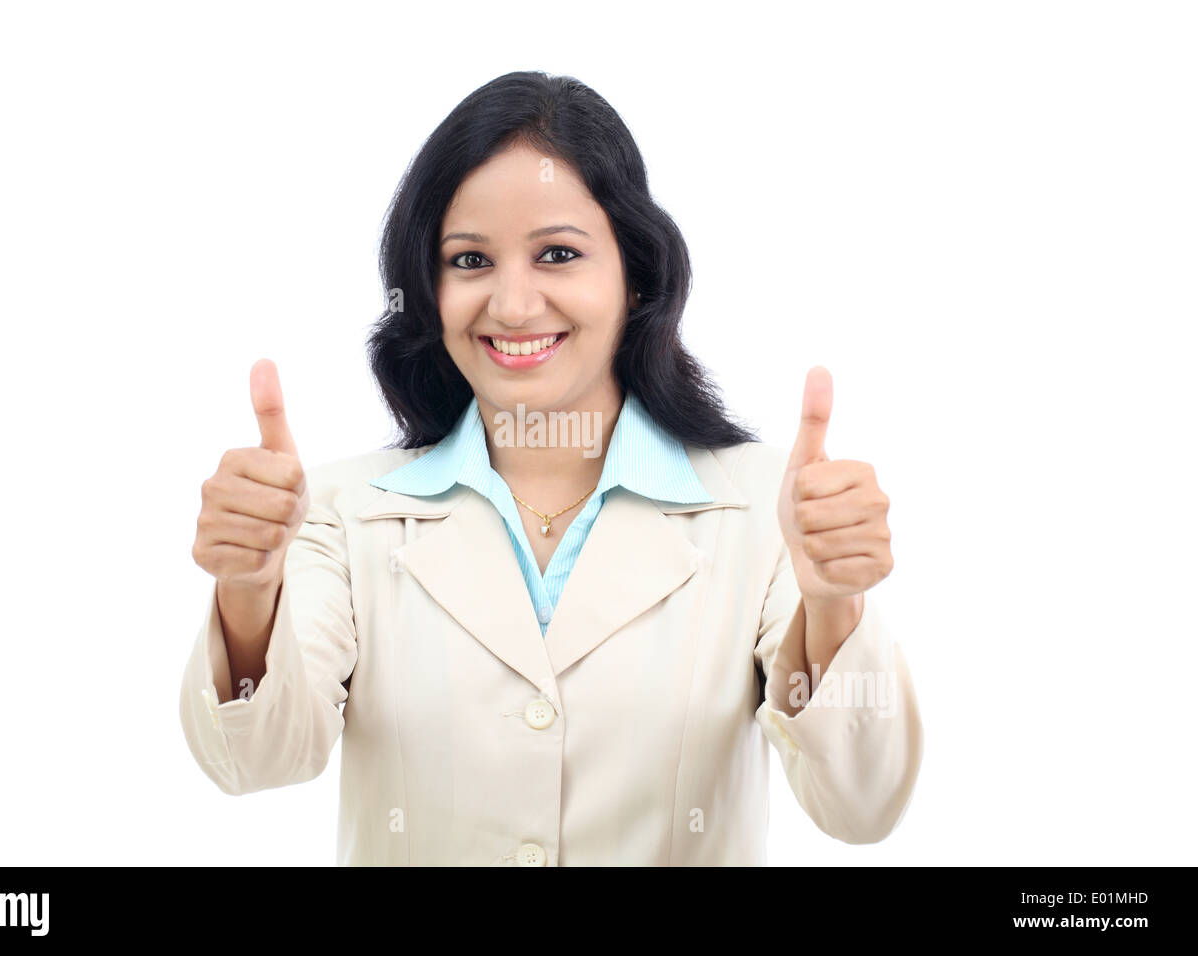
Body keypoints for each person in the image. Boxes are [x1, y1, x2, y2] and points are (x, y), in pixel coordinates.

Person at [180, 70, 924, 866]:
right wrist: (250, 591)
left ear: (635, 274)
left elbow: (861, 806)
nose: (511, 304)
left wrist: (835, 606)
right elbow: (256, 763)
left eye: (558, 254)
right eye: (469, 261)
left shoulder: (766, 511)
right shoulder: (341, 510)